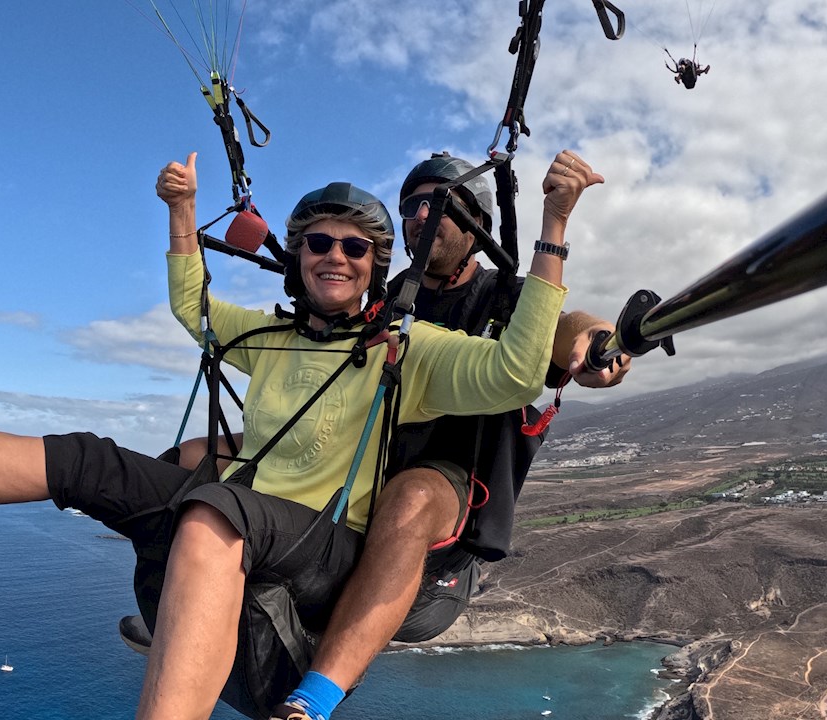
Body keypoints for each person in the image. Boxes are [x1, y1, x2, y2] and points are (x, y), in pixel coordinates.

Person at [0, 149, 598, 720]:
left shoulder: (410, 351)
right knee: (90, 461)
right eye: (315, 244)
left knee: (215, 512)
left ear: (377, 265)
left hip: (327, 543)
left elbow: (523, 367)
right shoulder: (268, 337)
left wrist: (555, 225)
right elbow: (192, 306)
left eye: (351, 246)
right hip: (262, 516)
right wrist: (183, 211)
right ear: (299, 255)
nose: (331, 256)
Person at [126, 153, 625, 720]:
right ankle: (182, 604)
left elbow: (564, 330)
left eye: (445, 203)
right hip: (349, 470)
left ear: (479, 223)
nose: (425, 215)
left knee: (408, 495)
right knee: (193, 455)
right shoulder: (382, 302)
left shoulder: (504, 298)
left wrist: (597, 337)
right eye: (413, 205)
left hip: (442, 489)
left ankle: (312, 698)